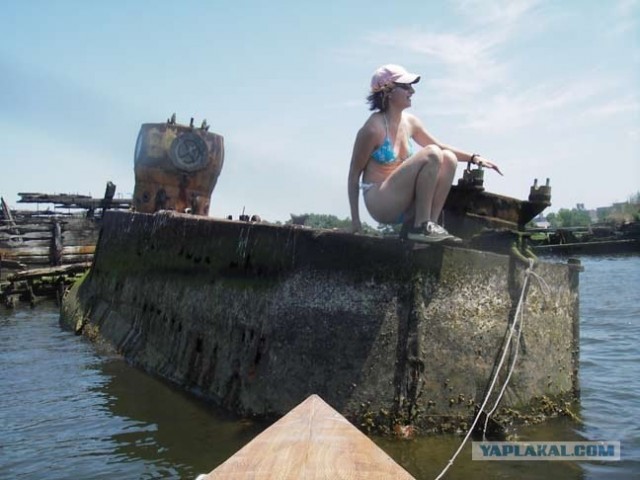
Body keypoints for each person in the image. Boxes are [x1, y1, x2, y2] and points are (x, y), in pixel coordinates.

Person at [348, 64, 503, 242]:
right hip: (381, 202)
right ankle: (421, 226)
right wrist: (355, 221)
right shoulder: (372, 129)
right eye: (406, 86)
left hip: (405, 201)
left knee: (448, 158)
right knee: (432, 153)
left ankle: (429, 225)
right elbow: (353, 175)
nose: (412, 91)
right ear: (388, 92)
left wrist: (474, 158)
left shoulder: (411, 122)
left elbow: (440, 146)